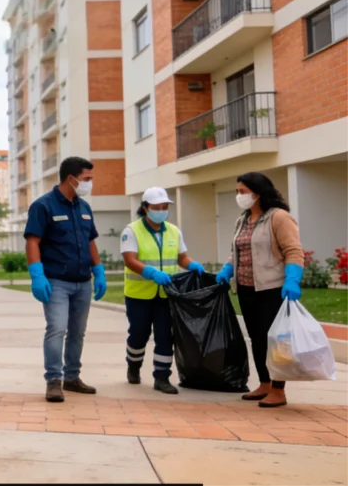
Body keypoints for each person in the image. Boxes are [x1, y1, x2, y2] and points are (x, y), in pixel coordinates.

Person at [215, 172, 304, 408]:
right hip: (246, 288)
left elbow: (293, 250)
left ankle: (278, 389)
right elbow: (237, 251)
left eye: (243, 191)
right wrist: (227, 269)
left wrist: (293, 279)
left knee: (276, 340)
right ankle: (264, 383)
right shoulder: (242, 219)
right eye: (237, 191)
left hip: (272, 288)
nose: (239, 196)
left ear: (258, 192)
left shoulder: (279, 217)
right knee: (256, 338)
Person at [23, 156, 108, 403]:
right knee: (57, 329)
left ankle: (72, 377)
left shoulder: (84, 208)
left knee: (77, 332)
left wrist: (99, 270)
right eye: (86, 179)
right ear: (71, 179)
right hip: (56, 281)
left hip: (83, 281)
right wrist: (37, 275)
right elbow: (32, 241)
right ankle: (53, 381)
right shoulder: (43, 206)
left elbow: (91, 241)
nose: (89, 184)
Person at [120, 187, 205, 395]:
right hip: (139, 294)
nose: (161, 210)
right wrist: (150, 272)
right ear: (145, 208)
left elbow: (181, 257)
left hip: (167, 294)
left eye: (164, 207)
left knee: (165, 335)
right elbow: (130, 259)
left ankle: (162, 377)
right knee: (139, 334)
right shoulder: (131, 231)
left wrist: (192, 264)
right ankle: (133, 365)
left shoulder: (173, 231)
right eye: (156, 207)